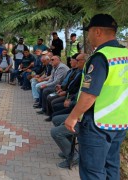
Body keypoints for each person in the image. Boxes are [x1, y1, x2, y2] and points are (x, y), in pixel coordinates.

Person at [65, 14, 128, 179]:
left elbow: (89, 94)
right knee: (111, 167)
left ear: (98, 31)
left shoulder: (101, 57)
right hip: (120, 123)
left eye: (90, 31)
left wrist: (73, 117)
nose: (89, 35)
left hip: (97, 125)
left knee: (92, 172)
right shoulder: (125, 54)